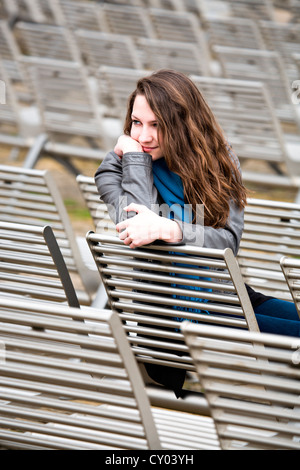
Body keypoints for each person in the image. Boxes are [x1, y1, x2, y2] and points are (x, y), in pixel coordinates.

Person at [95, 69, 300, 393]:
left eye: (156, 125)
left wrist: (172, 229)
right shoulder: (114, 169)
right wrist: (136, 160)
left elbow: (228, 242)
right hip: (171, 319)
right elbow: (137, 220)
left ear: (182, 123)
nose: (144, 136)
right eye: (137, 122)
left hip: (223, 293)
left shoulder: (218, 158)